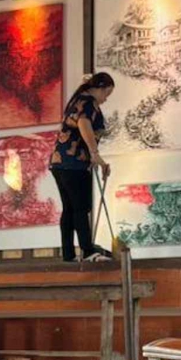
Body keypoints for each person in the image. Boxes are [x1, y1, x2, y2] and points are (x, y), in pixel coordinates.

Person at [50, 72, 116, 263]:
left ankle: (69, 254)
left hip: (60, 162)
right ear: (99, 88)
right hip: (74, 163)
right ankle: (87, 251)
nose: (105, 99)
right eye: (106, 94)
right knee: (80, 207)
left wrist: (95, 158)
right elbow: (84, 124)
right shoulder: (88, 102)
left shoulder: (77, 100)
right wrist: (95, 154)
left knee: (69, 208)